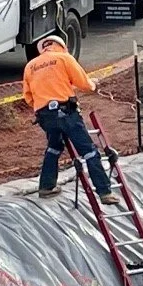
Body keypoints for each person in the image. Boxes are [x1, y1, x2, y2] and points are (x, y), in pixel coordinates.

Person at [21, 33, 116, 201]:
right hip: (66, 112)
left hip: (45, 116)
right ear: (61, 46)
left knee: (54, 147)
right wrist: (93, 85)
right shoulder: (64, 58)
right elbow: (83, 82)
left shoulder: (31, 66)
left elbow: (28, 97)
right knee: (88, 151)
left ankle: (46, 186)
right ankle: (104, 191)